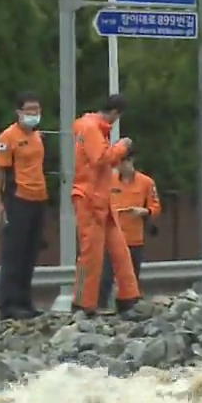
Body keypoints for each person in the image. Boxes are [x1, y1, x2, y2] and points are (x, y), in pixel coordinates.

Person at [71, 94, 140, 315]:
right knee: (90, 255)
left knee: (120, 250)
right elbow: (100, 158)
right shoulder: (92, 129)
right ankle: (83, 302)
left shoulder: (89, 126)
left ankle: (128, 297)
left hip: (100, 198)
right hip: (90, 198)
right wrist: (122, 147)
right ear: (115, 113)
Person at [0, 92, 48, 321]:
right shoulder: (8, 137)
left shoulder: (37, 136)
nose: (33, 114)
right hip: (18, 199)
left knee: (30, 253)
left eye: (37, 109)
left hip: (38, 198)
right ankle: (8, 304)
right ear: (19, 112)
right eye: (29, 110)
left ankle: (25, 301)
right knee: (13, 253)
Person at [99, 151, 161, 308]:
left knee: (130, 279)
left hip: (134, 238)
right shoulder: (109, 180)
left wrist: (144, 211)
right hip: (112, 238)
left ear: (131, 160)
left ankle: (127, 308)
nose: (121, 165)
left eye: (124, 161)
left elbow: (156, 206)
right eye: (118, 162)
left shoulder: (146, 182)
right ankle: (101, 307)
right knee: (105, 276)